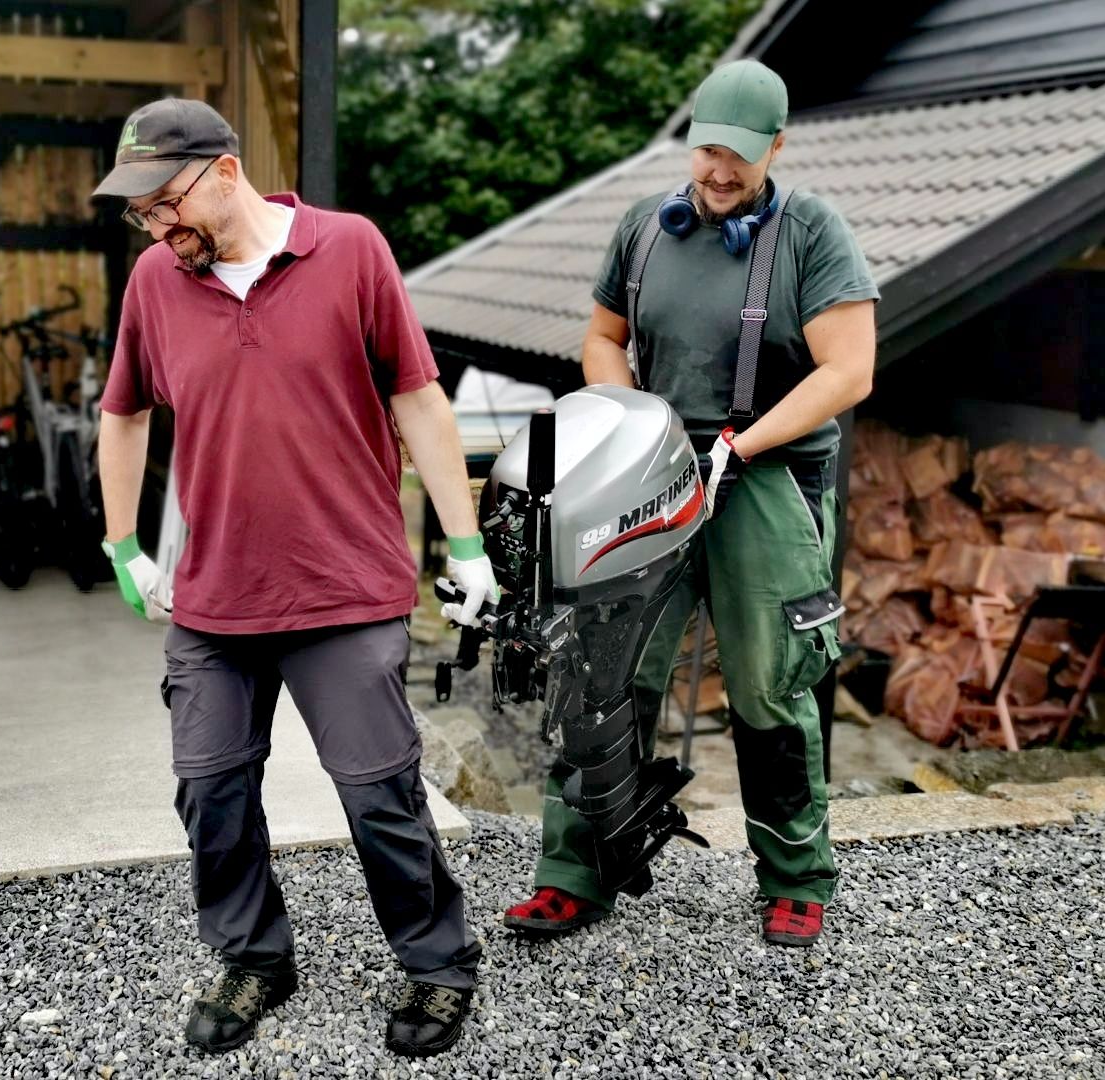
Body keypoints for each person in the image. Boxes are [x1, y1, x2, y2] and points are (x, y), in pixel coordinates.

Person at [91, 98, 496, 1058]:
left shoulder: (350, 250)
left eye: (164, 201)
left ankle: (438, 965)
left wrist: (466, 543)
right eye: (140, 211)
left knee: (378, 793)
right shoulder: (155, 280)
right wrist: (123, 545)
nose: (155, 223)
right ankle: (254, 958)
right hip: (217, 595)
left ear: (225, 172)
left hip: (343, 587)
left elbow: (418, 398)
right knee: (210, 787)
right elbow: (123, 415)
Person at [501, 59, 878, 948]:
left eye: (741, 157)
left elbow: (849, 368)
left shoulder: (812, 234)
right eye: (709, 149)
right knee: (602, 672)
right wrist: (632, 424)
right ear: (691, 139)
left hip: (764, 479)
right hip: (650, 477)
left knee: (769, 684)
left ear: (777, 148)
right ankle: (574, 870)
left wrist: (739, 445)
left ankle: (794, 874)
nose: (720, 170)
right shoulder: (643, 228)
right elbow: (603, 338)